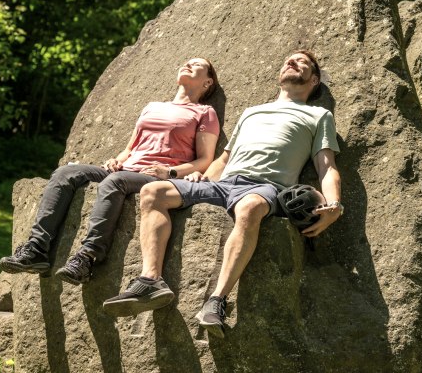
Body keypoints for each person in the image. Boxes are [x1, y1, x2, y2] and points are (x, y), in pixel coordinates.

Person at [101, 49, 343, 338]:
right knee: (153, 192)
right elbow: (224, 160)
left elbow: (326, 165)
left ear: (313, 80)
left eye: (301, 62)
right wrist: (195, 179)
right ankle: (150, 280)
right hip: (223, 182)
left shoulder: (318, 115)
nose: (291, 62)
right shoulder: (252, 112)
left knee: (251, 208)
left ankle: (216, 301)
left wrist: (334, 206)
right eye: (288, 60)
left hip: (265, 186)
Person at [0, 58, 220, 285]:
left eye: (196, 64)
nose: (187, 64)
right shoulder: (153, 107)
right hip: (125, 168)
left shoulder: (204, 112)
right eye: (186, 61)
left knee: (115, 182)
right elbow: (130, 149)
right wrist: (116, 159)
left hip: (154, 175)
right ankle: (36, 249)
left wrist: (170, 172)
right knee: (65, 173)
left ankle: (88, 257)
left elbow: (204, 160)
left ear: (207, 82)